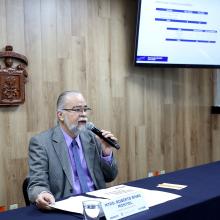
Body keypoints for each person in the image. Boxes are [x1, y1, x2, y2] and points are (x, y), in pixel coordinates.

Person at [27, 90, 118, 210]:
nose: (83, 114)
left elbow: (110, 177)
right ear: (60, 115)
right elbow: (37, 183)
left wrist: (106, 153)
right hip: (65, 209)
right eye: (77, 109)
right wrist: (43, 193)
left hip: (98, 205)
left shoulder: (92, 137)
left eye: (85, 109)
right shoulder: (41, 143)